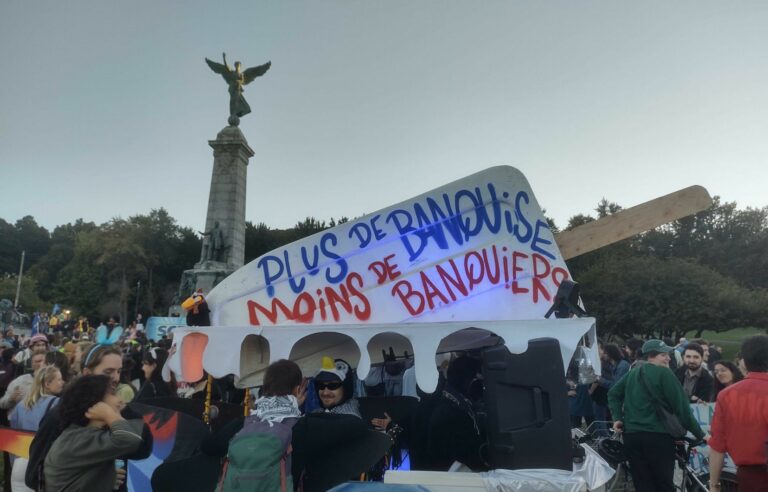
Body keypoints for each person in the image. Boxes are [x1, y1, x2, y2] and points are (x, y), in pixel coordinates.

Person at [25, 344, 153, 491]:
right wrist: (94, 479)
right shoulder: (59, 415)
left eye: (119, 371)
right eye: (108, 372)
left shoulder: (119, 410)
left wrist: (118, 414)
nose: (116, 378)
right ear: (87, 373)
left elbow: (143, 449)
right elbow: (34, 474)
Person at [608, 339, 705, 492]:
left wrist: (618, 418)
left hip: (632, 437)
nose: (668, 358)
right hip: (658, 437)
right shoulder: (664, 373)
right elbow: (682, 409)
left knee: (643, 484)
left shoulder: (633, 373)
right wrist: (701, 434)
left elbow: (613, 394)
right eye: (663, 355)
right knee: (663, 483)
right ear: (651, 356)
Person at [43, 375, 145, 492]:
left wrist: (106, 477)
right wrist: (109, 414)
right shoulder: (79, 439)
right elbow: (131, 438)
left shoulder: (79, 435)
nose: (120, 400)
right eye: (113, 393)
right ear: (95, 401)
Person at [708, 335, 768, 491]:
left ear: (744, 362)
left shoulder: (727, 395)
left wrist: (714, 484)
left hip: (749, 477)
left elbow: (717, 445)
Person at [424, 356, 487, 471]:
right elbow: (470, 456)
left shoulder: (446, 404)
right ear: (469, 382)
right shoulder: (454, 414)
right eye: (478, 381)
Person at [10, 366, 64, 492]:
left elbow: (14, 440)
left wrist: (14, 464)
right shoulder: (58, 404)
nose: (63, 382)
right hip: (41, 464)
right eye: (59, 379)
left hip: (20, 463)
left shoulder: (20, 405)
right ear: (47, 384)